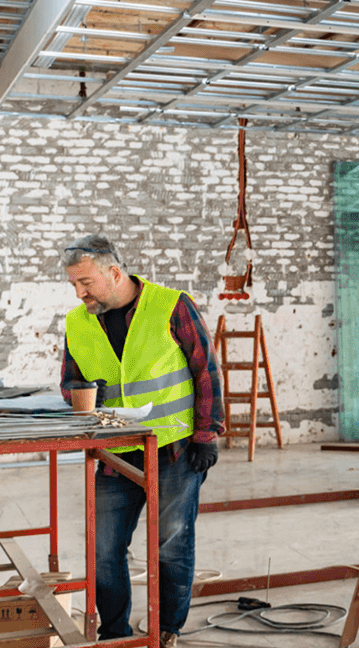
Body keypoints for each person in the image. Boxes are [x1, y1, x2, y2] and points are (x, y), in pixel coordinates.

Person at [60, 234, 224, 647]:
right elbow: (69, 384)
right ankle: (115, 635)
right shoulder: (77, 322)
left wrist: (207, 434)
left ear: (114, 272)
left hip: (175, 449)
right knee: (103, 551)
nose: (80, 293)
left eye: (86, 283)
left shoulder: (171, 306)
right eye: (74, 285)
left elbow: (207, 370)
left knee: (170, 544)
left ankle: (166, 628)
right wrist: (79, 398)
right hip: (113, 454)